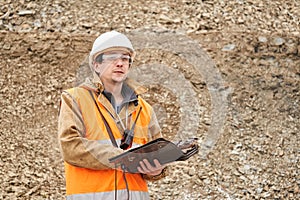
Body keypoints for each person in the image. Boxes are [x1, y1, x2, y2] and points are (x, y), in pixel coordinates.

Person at [58, 30, 167, 200]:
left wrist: (156, 170)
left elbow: (156, 153)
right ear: (96, 65)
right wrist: (123, 158)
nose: (120, 63)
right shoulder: (75, 98)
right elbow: (71, 147)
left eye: (125, 59)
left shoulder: (144, 109)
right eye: (112, 58)